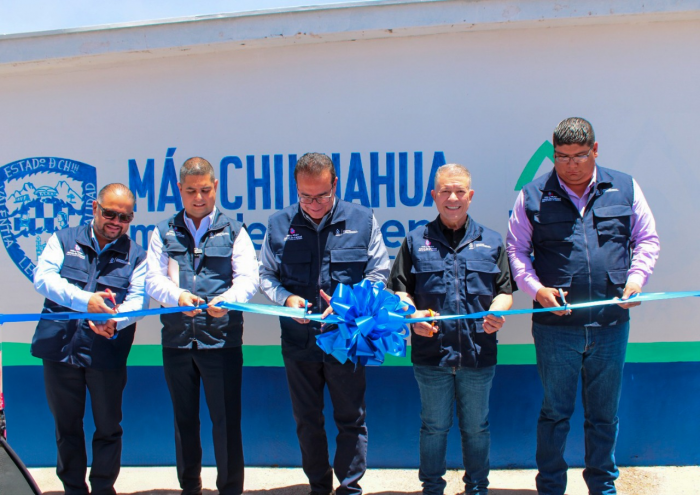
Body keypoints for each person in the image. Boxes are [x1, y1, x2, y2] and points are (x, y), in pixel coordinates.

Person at [506, 117, 660, 495]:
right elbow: (516, 251)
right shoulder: (532, 195)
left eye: (579, 156)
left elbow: (646, 239)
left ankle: (602, 487)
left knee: (604, 416)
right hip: (555, 329)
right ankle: (551, 487)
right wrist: (536, 290)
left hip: (610, 325)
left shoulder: (624, 187)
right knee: (555, 414)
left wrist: (636, 280)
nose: (570, 165)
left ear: (595, 150)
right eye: (562, 157)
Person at [259, 152, 390, 495]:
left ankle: (349, 488)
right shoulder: (278, 224)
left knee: (351, 419)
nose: (314, 205)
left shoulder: (363, 220)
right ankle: (318, 487)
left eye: (322, 195)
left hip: (347, 340)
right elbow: (266, 275)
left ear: (335, 184)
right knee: (307, 420)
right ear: (296, 189)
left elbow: (379, 273)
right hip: (299, 342)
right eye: (305, 197)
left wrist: (349, 304)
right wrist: (286, 299)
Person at [388, 164, 513, 495]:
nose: (452, 198)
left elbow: (505, 291)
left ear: (470, 196)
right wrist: (412, 314)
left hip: (478, 354)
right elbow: (398, 290)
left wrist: (498, 311)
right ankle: (432, 489)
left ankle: (477, 488)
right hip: (432, 356)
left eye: (459, 191)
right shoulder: (415, 241)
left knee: (477, 428)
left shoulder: (491, 241)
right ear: (434, 195)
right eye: (445, 191)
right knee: (433, 428)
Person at [145, 157, 259, 495]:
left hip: (221, 343)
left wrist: (229, 300)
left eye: (205, 190)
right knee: (184, 422)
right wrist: (177, 296)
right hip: (177, 342)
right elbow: (153, 279)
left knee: (226, 423)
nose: (199, 198)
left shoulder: (235, 230)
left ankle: (230, 489)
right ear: (180, 189)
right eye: (191, 191)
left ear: (216, 187)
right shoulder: (163, 231)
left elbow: (248, 279)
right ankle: (190, 487)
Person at [31, 183, 148, 495]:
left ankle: (103, 489)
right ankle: (73, 489)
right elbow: (43, 279)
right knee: (66, 428)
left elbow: (139, 301)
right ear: (95, 208)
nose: (116, 222)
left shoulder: (137, 256)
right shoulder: (63, 239)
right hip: (60, 351)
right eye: (110, 213)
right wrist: (86, 301)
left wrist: (114, 321)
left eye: (125, 217)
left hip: (105, 354)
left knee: (108, 428)